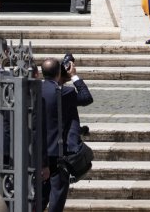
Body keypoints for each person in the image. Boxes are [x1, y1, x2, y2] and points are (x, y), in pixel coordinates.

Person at [41, 57, 93, 212]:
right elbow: (86, 97)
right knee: (57, 194)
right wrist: (74, 76)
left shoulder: (35, 90)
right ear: (59, 72)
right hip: (58, 153)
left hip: (40, 150)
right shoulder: (66, 92)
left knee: (41, 195)